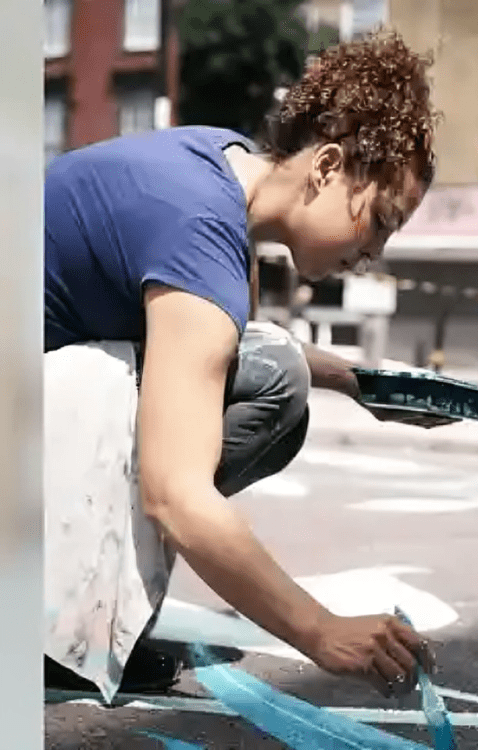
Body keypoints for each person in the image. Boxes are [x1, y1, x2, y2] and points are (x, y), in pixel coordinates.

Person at [44, 30, 446, 699]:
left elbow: (226, 340)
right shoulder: (200, 231)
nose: (375, 250)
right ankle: (54, 625)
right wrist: (319, 629)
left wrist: (357, 382)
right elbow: (175, 493)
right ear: (326, 168)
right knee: (271, 386)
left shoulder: (215, 162)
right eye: (379, 220)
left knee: (270, 366)